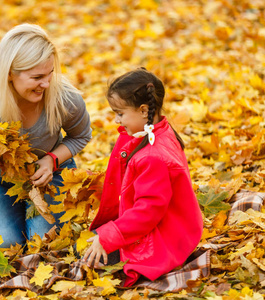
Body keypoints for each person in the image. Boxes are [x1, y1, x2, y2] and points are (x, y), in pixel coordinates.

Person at [0, 24, 92, 248]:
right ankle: (9, 209)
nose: (46, 84)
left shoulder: (64, 96)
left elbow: (81, 135)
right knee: (6, 245)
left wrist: (51, 160)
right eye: (37, 77)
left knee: (46, 243)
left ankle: (31, 215)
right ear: (9, 73)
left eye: (50, 74)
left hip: (50, 175)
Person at [83, 68, 203, 286]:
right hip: (170, 227)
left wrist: (109, 236)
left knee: (89, 255)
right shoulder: (155, 132)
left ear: (143, 110)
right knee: (91, 242)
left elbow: (148, 210)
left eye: (120, 113)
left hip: (164, 237)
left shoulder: (152, 156)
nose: (117, 120)